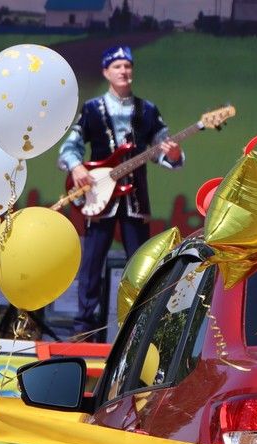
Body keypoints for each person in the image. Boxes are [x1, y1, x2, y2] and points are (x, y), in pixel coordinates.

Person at [57, 45, 182, 340]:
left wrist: (173, 153)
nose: (123, 71)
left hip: (134, 198)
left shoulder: (148, 110)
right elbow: (70, 146)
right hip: (99, 198)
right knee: (91, 265)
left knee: (141, 264)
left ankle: (138, 330)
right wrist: (76, 168)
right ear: (106, 72)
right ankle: (83, 331)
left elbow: (164, 151)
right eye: (117, 67)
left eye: (128, 66)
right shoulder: (91, 109)